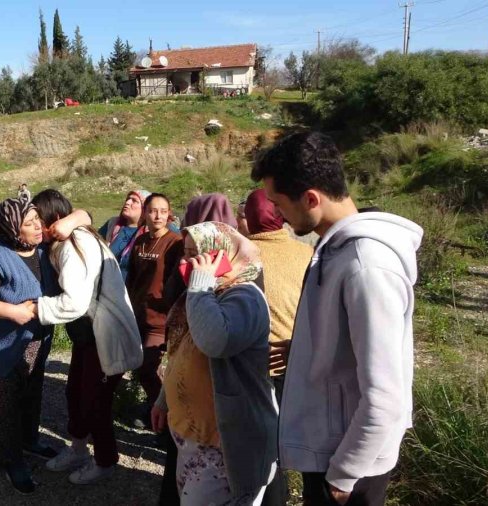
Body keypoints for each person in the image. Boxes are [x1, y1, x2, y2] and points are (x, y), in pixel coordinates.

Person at [252, 132, 423, 506]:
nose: (278, 216)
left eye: (280, 204)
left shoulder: (366, 266)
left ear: (311, 199)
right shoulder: (336, 250)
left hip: (350, 464)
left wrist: (344, 474)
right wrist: (305, 348)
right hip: (334, 449)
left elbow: (386, 395)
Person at [151, 221, 276, 505]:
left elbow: (214, 341)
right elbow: (182, 352)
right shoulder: (203, 292)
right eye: (186, 252)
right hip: (193, 435)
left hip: (223, 443)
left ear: (222, 253)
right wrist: (163, 399)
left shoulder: (244, 296)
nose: (189, 261)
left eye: (199, 253)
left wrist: (199, 285)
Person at [30, 189, 143, 485]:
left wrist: (35, 308)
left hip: (104, 334)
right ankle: (78, 450)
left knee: (95, 402)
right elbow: (82, 214)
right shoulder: (68, 237)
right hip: (88, 334)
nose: (34, 226)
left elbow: (75, 303)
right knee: (75, 394)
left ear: (54, 219)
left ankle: (105, 460)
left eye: (37, 220)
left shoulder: (74, 244)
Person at [0, 197, 58, 494]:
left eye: (37, 221)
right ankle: (11, 461)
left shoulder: (43, 250)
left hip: (35, 342)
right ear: (12, 228)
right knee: (3, 406)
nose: (37, 227)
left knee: (31, 396)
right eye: (28, 224)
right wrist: (13, 312)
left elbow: (83, 216)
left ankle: (29, 441)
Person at [243, 188, 313, 506]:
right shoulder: (306, 252)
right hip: (297, 363)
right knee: (283, 445)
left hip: (254, 368)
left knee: (260, 450)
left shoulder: (242, 256)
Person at [125, 193, 183, 426]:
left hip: (160, 317)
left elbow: (177, 281)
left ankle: (168, 419)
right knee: (141, 367)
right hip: (138, 312)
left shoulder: (175, 242)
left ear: (169, 213)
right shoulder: (140, 241)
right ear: (145, 213)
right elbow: (133, 277)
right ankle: (155, 411)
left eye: (163, 210)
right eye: (152, 210)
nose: (158, 215)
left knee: (148, 366)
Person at [98, 190, 149, 281]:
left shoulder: (149, 232)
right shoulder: (112, 225)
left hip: (131, 290)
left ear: (145, 209)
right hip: (106, 285)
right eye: (128, 199)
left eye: (134, 201)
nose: (127, 202)